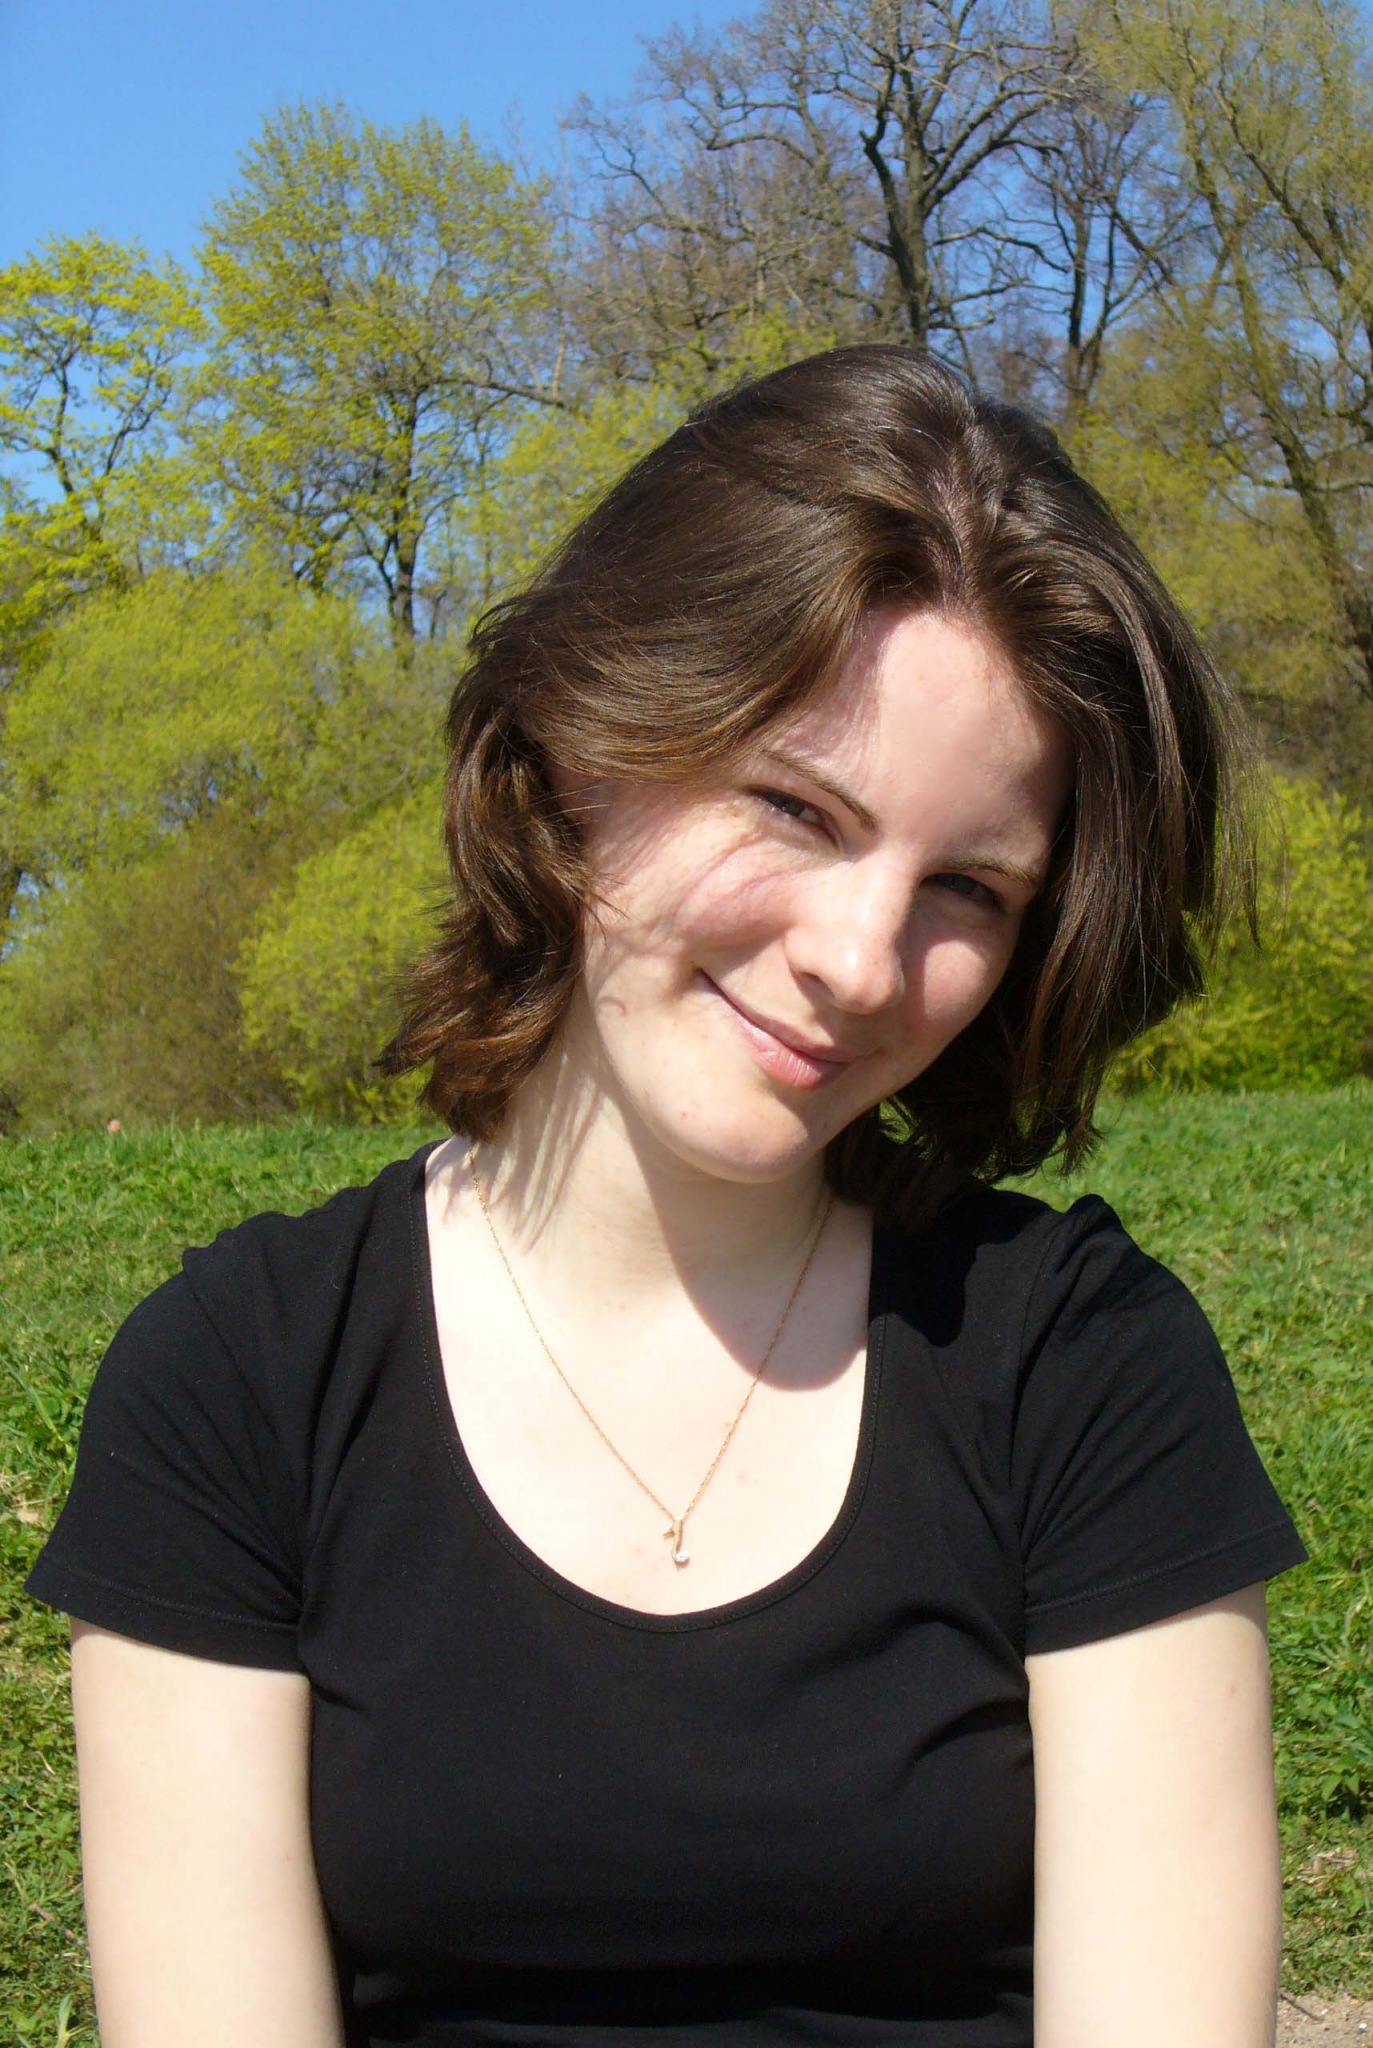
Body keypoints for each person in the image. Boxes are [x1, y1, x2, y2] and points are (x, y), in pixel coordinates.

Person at [27, 345, 1307, 2048]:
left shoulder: (1080, 1369)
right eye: (793, 805)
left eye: (967, 889)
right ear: (580, 739)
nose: (861, 960)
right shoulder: (240, 1382)